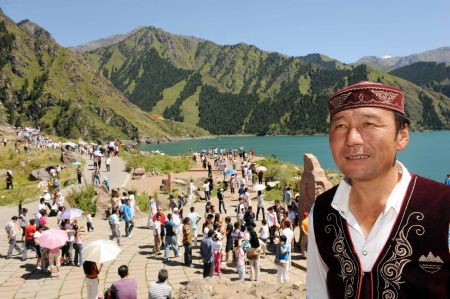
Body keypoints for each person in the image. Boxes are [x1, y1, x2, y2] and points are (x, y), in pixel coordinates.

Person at [307, 81, 450, 298]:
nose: (352, 139)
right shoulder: (323, 211)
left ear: (402, 136)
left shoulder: (443, 206)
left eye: (369, 124)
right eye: (340, 126)